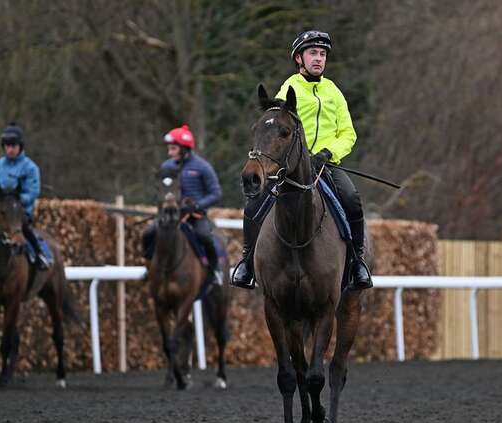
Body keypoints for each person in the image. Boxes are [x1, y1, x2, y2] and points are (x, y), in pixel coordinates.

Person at [231, 30, 373, 290]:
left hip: (327, 164)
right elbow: (277, 126)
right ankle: (247, 264)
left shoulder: (334, 92)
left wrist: (328, 153)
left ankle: (357, 263)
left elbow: (348, 133)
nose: (318, 59)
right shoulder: (289, 88)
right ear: (299, 58)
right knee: (254, 205)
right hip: (294, 165)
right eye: (313, 53)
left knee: (352, 199)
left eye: (322, 54)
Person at [142, 124, 224, 285]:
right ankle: (149, 267)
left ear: (184, 149)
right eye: (169, 149)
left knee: (205, 237)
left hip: (194, 216)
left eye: (173, 149)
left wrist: (196, 206)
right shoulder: (166, 167)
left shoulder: (203, 167)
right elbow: (159, 192)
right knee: (148, 233)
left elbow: (216, 193)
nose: (169, 153)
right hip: (170, 216)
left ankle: (215, 271)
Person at [0, 122, 50, 273]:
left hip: (18, 213)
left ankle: (39, 256)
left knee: (25, 231)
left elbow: (33, 192)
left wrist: (13, 201)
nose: (10, 149)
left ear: (20, 146)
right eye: (7, 146)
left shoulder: (30, 168)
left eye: (14, 145)